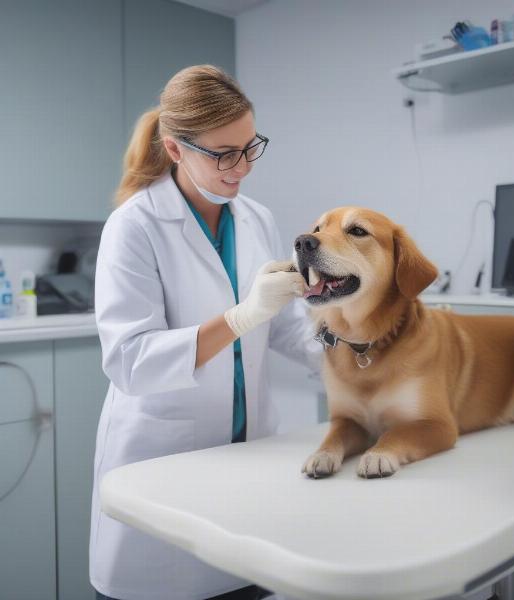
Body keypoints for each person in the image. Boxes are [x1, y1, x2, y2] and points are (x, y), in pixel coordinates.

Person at [90, 64, 321, 600]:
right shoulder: (134, 227)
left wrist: (355, 350)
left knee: (243, 582)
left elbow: (285, 325)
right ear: (174, 150)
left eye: (250, 147)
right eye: (223, 153)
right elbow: (130, 360)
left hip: (247, 462)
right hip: (162, 469)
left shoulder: (256, 219)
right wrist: (239, 317)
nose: (241, 168)